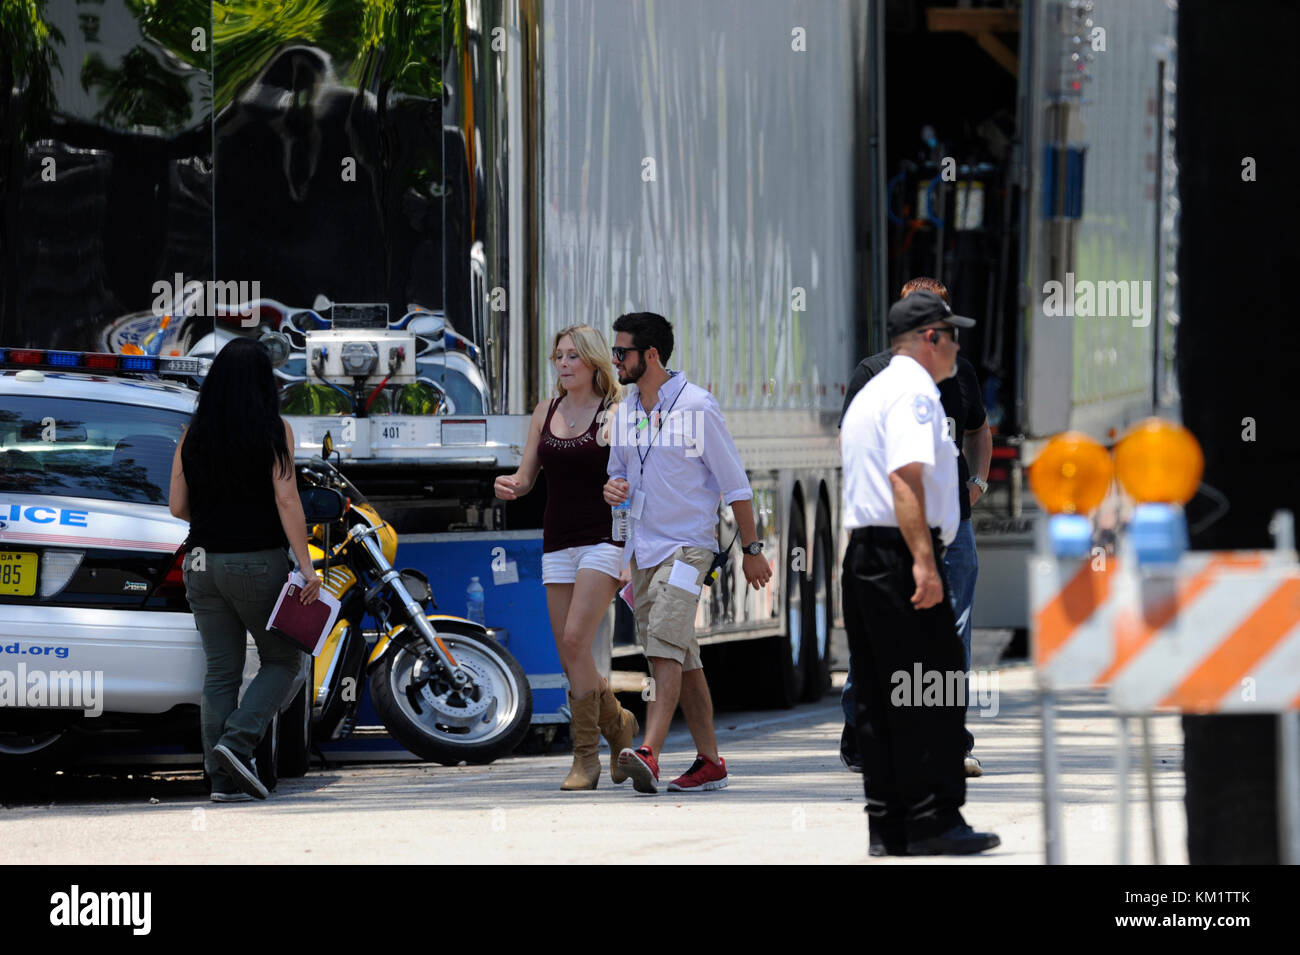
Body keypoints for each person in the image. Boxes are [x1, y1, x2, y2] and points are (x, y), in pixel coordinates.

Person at [839, 290, 999, 855]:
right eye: (952, 334)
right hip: (902, 553)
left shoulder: (874, 388)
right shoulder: (914, 394)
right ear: (930, 337)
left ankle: (888, 824)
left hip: (865, 556)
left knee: (883, 698)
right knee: (934, 689)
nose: (958, 344)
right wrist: (925, 565)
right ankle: (935, 819)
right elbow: (905, 481)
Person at [602, 311, 772, 794]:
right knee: (683, 656)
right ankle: (710, 763)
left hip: (689, 550)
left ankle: (650, 753)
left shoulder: (698, 407)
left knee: (663, 642)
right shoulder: (625, 410)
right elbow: (616, 476)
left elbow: (734, 483)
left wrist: (752, 548)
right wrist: (612, 490)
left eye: (622, 352)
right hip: (644, 551)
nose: (615, 360)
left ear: (650, 355)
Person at [168, 337, 321, 802]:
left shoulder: (192, 434)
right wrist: (307, 566)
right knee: (284, 659)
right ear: (264, 383)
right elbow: (288, 499)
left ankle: (221, 780)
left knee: (220, 672)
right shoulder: (275, 431)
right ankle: (237, 743)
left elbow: (177, 507)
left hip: (200, 563)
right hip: (257, 562)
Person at [494, 324, 640, 790]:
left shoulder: (615, 414)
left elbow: (639, 476)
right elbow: (526, 477)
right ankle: (619, 725)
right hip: (556, 540)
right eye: (558, 355)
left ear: (595, 362)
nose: (563, 363)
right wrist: (510, 487)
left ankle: (585, 760)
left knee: (576, 640)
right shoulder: (545, 411)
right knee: (567, 652)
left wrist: (622, 489)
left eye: (573, 356)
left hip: (604, 539)